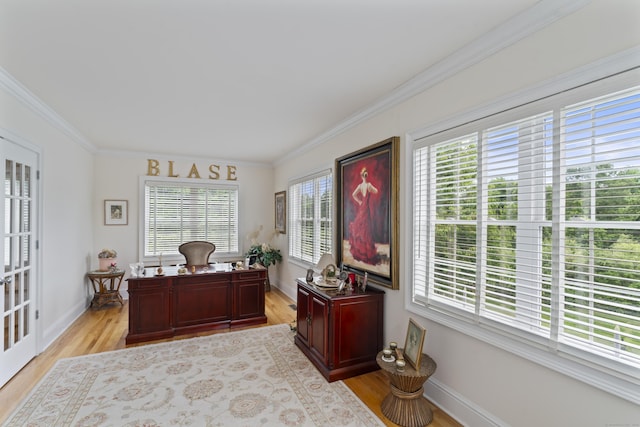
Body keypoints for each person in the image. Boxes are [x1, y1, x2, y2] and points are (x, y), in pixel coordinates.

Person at [348, 167, 379, 264]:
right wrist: (368, 193)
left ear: (362, 176)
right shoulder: (368, 185)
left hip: (363, 207)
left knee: (362, 227)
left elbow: (354, 195)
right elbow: (376, 191)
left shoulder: (360, 186)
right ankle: (365, 252)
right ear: (366, 175)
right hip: (365, 208)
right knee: (365, 228)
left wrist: (359, 201)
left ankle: (361, 252)